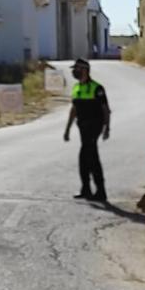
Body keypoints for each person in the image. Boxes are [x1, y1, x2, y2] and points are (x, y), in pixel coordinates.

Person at [63, 59, 110, 202]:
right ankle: (86, 189)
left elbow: (105, 110)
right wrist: (67, 129)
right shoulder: (76, 87)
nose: (74, 71)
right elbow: (74, 110)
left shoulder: (97, 88)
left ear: (85, 70)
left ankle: (100, 191)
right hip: (82, 127)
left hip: (94, 126)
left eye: (77, 68)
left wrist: (106, 128)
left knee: (90, 156)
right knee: (85, 158)